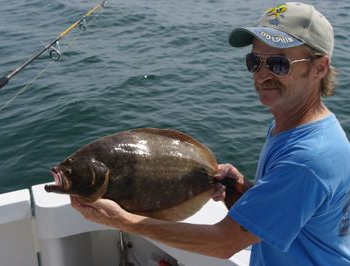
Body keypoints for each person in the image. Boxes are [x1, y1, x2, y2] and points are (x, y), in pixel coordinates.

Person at [70, 2, 350, 265]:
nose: (262, 75)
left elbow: (224, 243)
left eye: (279, 64)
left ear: (319, 68)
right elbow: (294, 213)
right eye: (255, 61)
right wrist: (240, 190)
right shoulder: (293, 127)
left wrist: (123, 221)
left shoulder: (308, 158)